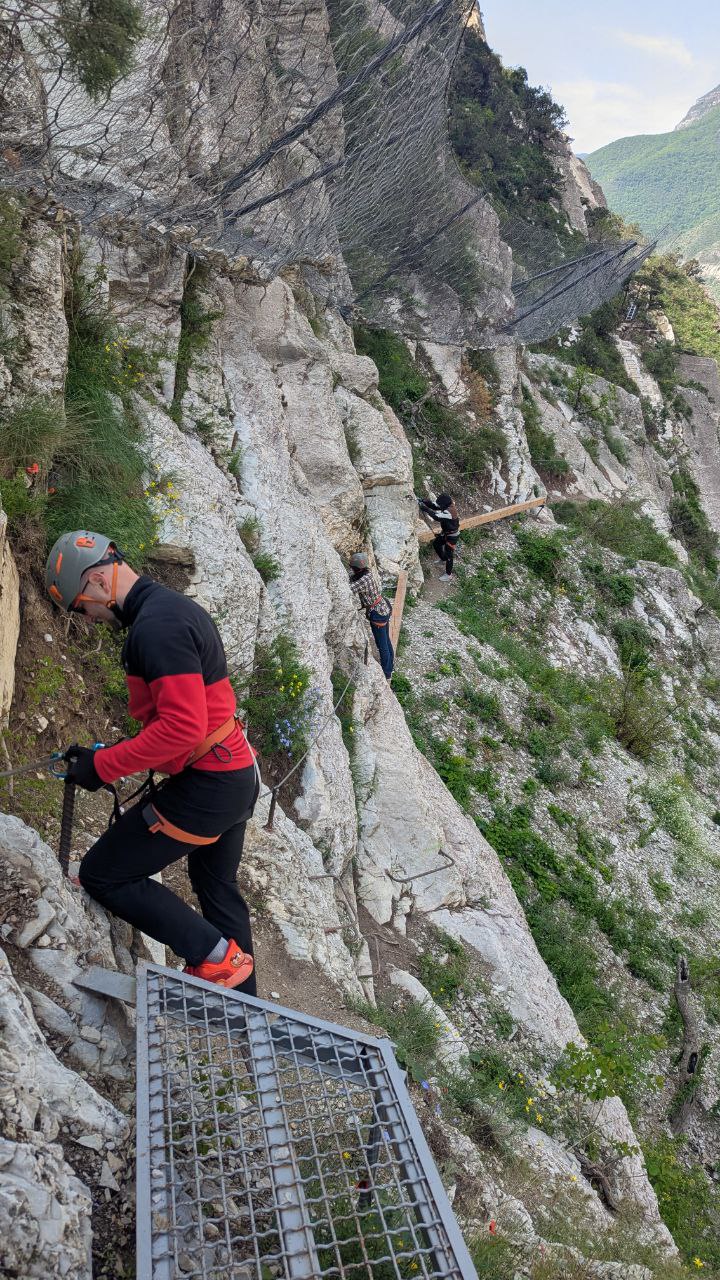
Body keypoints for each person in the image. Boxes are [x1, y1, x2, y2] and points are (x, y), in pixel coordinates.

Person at [45, 530, 258, 992]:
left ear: (97, 580)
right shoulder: (171, 609)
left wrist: (102, 768)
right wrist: (104, 755)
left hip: (210, 784)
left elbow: (181, 728)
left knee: (105, 874)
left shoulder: (156, 628)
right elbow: (186, 720)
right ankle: (250, 1013)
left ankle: (218, 960)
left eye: (82, 606)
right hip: (234, 770)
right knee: (215, 885)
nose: (89, 618)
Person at [348, 551, 394, 679]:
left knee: (382, 645)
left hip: (377, 613)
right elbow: (354, 576)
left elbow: (348, 589)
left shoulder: (362, 580)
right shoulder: (367, 573)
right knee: (386, 640)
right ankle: (391, 666)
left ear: (356, 568)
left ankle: (387, 673)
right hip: (383, 607)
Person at [418, 493, 460, 580]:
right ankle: (443, 559)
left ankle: (448, 575)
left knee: (449, 556)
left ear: (444, 504)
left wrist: (426, 509)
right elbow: (434, 506)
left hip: (452, 536)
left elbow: (437, 517)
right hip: (446, 533)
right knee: (436, 544)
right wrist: (424, 501)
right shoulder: (447, 505)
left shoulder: (450, 512)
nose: (439, 506)